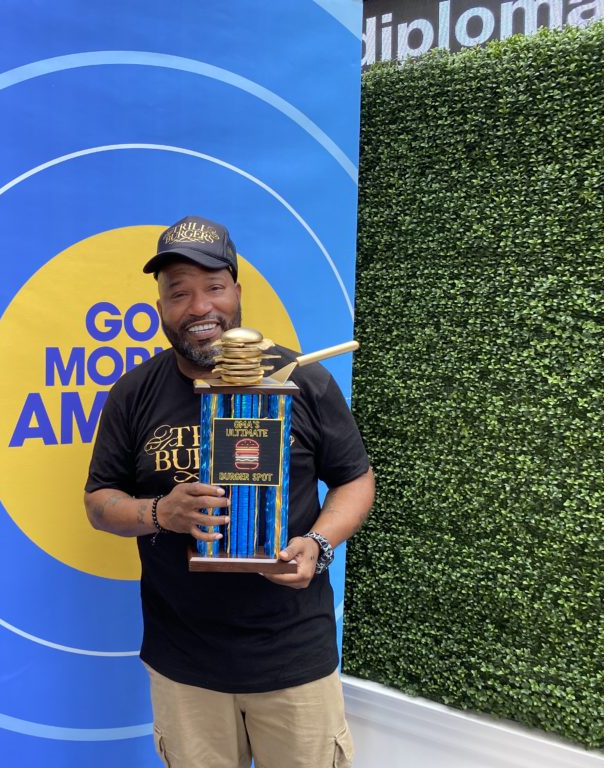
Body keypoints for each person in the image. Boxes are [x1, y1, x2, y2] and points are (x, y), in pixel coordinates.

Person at [84, 215, 375, 768]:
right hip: (185, 664)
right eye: (180, 293)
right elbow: (100, 501)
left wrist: (317, 544)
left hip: (294, 658)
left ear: (237, 291)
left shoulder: (303, 380)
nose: (200, 308)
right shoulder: (133, 393)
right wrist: (158, 512)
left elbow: (355, 479)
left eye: (214, 287)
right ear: (161, 306)